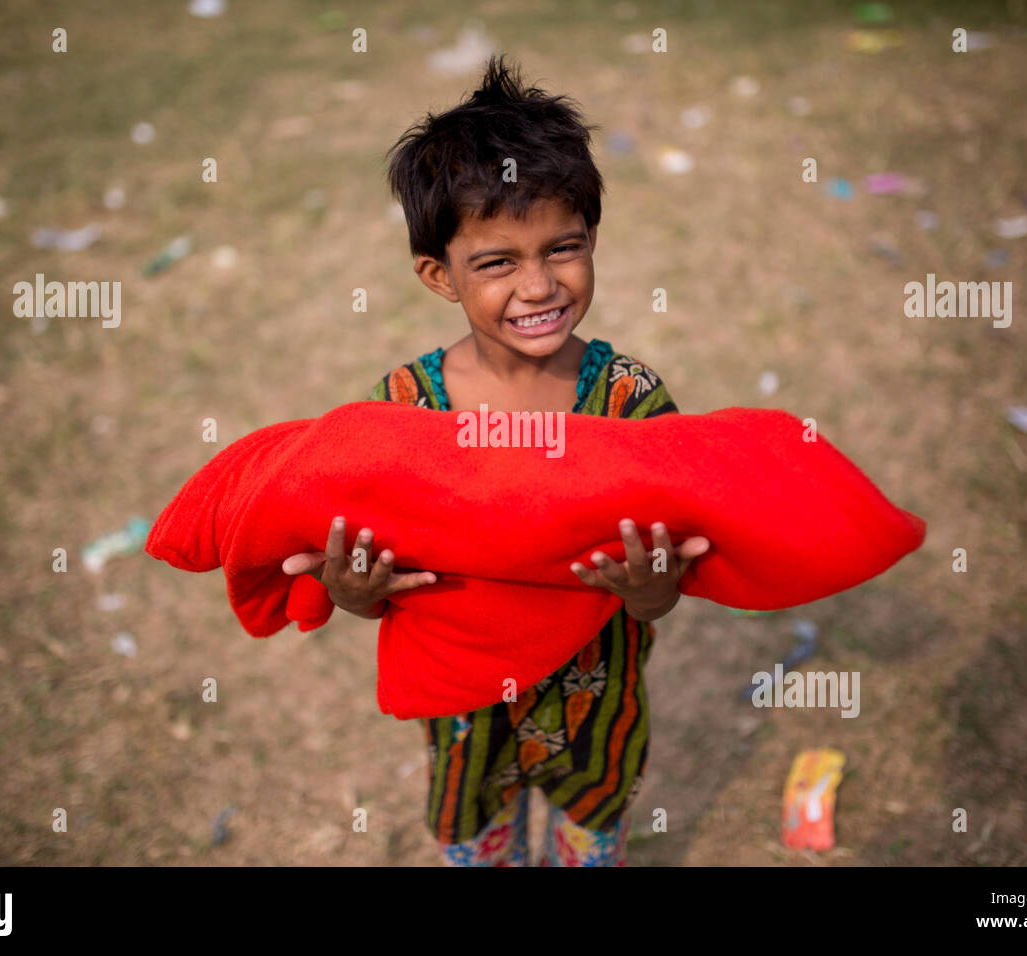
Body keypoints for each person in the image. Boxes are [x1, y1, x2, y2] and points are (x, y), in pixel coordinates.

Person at [281, 54, 709, 866]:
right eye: (497, 262)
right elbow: (385, 595)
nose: (540, 285)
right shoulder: (403, 412)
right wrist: (352, 592)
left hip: (598, 717)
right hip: (466, 731)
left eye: (564, 248)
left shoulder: (631, 403)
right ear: (439, 275)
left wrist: (655, 590)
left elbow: (659, 595)